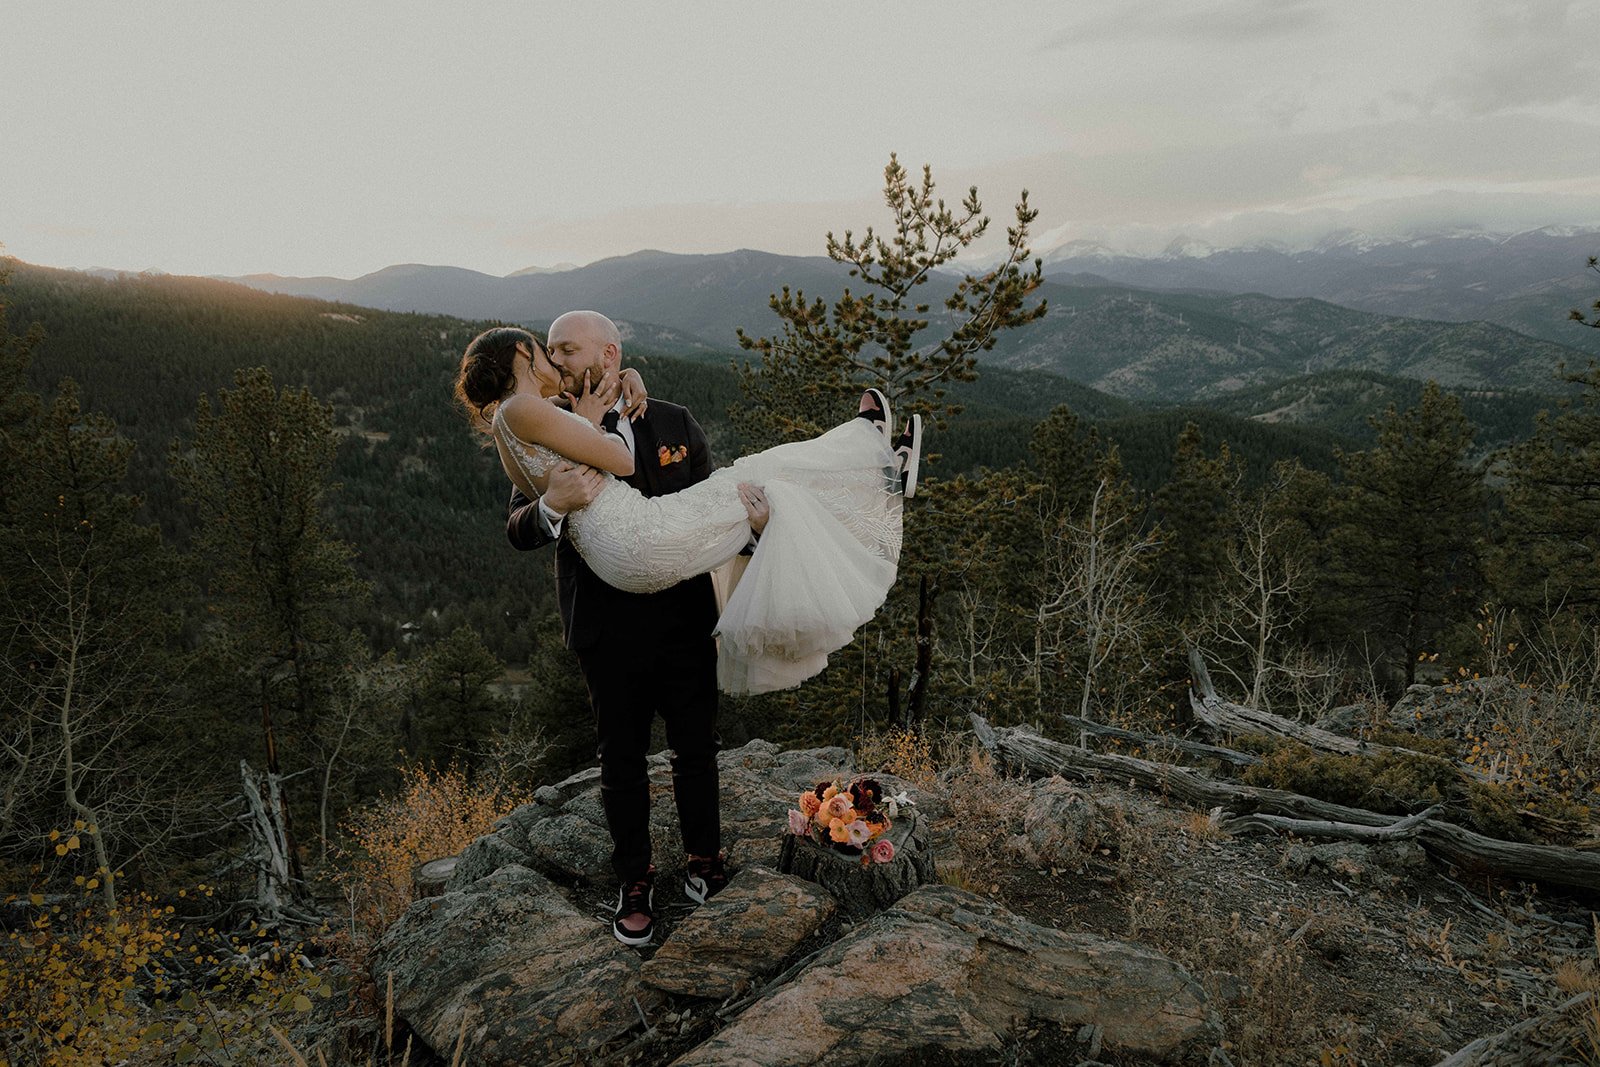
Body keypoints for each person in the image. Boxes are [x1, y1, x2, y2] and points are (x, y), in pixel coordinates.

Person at [453, 314, 918, 946]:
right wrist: (551, 505)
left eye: (567, 348)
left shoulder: (671, 421)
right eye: (550, 351)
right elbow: (519, 523)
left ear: (609, 353)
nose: (558, 359)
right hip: (605, 623)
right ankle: (634, 883)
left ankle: (705, 861)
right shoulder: (546, 414)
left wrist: (756, 531)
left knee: (697, 749)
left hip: (681, 614)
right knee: (621, 760)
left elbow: (707, 514)